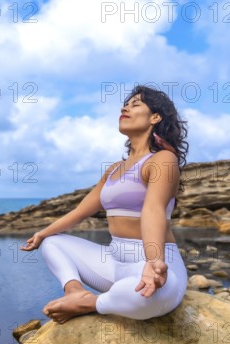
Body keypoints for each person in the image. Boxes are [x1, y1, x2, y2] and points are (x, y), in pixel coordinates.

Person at [20, 85, 189, 324]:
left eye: (135, 104)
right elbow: (80, 211)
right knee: (52, 243)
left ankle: (90, 303)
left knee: (145, 298)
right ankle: (74, 292)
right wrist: (41, 234)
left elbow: (154, 210)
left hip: (153, 259)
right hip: (113, 261)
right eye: (125, 104)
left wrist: (153, 261)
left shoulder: (163, 160)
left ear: (155, 117)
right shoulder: (114, 170)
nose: (125, 107)